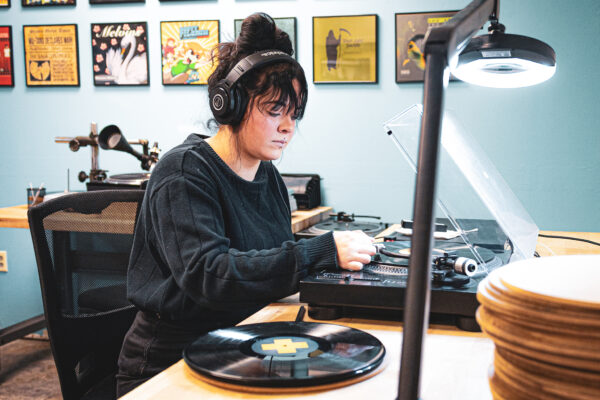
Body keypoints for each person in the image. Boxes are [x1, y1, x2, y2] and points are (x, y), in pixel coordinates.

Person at [116, 12, 376, 396]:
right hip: (167, 365)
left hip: (240, 343)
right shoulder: (184, 172)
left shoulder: (266, 175)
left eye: (294, 114)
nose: (288, 127)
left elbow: (269, 262)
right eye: (275, 110)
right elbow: (210, 275)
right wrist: (318, 252)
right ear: (231, 106)